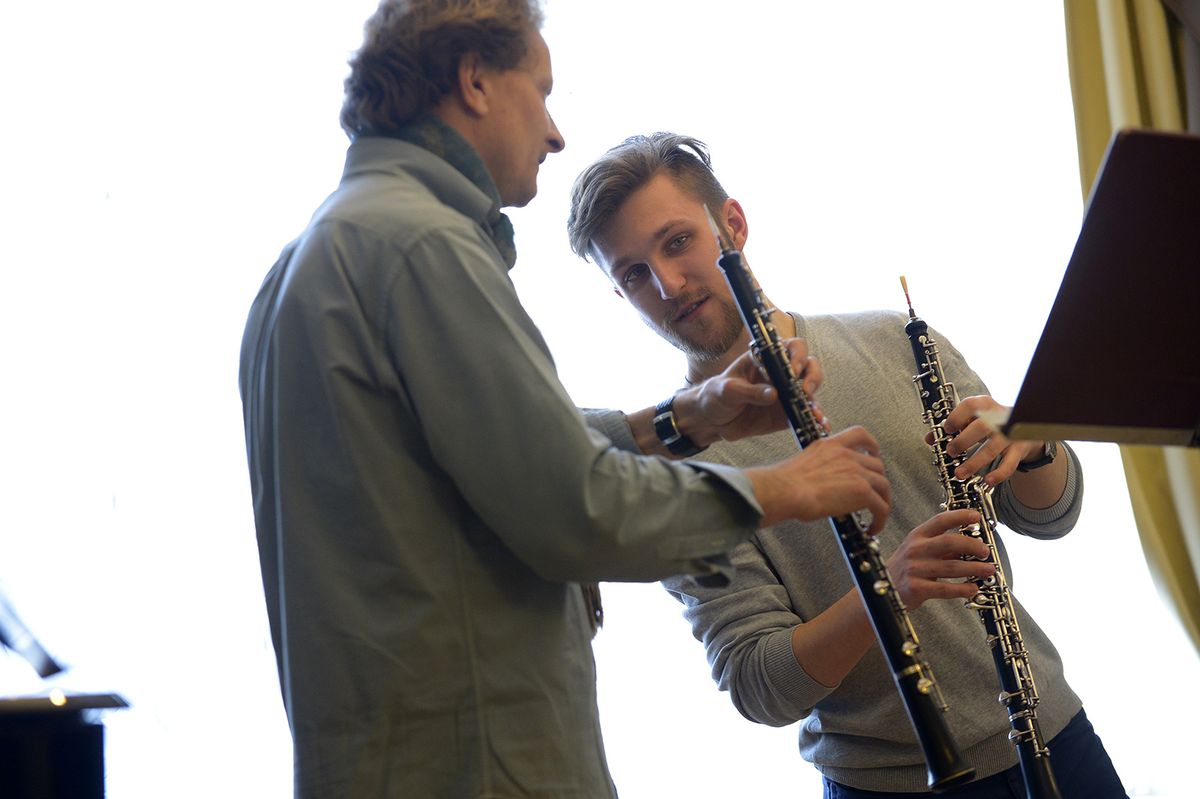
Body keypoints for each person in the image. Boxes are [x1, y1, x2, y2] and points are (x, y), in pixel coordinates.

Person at [238, 4, 893, 797]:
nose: (555, 134)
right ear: (475, 81)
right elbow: (572, 506)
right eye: (542, 91)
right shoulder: (423, 246)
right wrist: (788, 485)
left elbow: (485, 461)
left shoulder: (317, 255)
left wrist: (682, 421)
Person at [567, 132, 1128, 798]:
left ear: (733, 224)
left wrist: (1032, 446)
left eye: (678, 241)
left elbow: (1050, 515)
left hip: (1058, 734)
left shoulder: (892, 339)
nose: (667, 283)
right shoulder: (665, 470)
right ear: (619, 293)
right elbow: (761, 685)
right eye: (634, 273)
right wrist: (888, 591)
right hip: (887, 784)